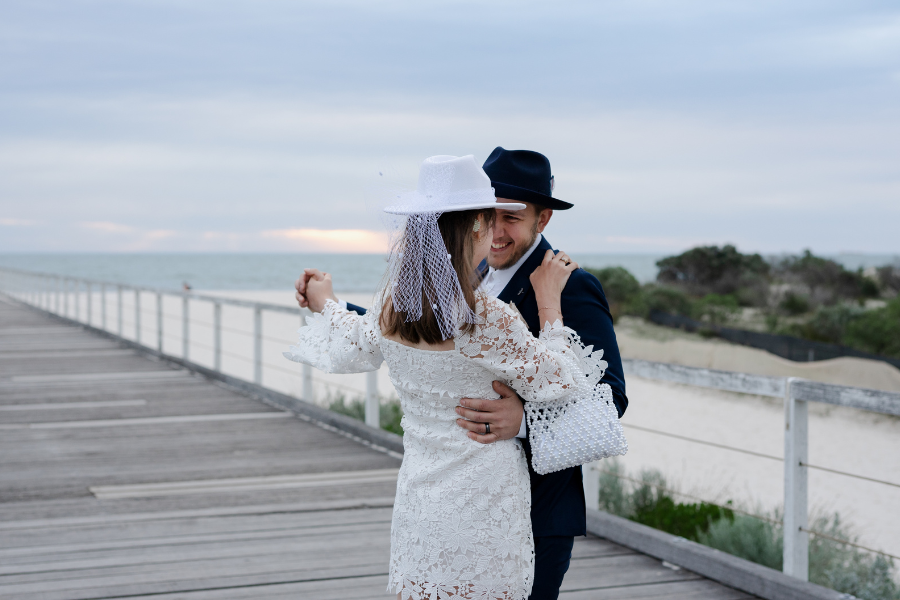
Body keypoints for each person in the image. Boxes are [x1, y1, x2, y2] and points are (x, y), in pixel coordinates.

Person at [297, 148, 628, 599]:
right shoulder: (461, 294)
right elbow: (416, 335)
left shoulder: (574, 285)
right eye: (490, 215)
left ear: (542, 220)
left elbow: (611, 395)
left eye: (510, 216)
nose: (496, 229)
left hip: (534, 510)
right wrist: (329, 304)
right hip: (456, 501)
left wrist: (523, 420)